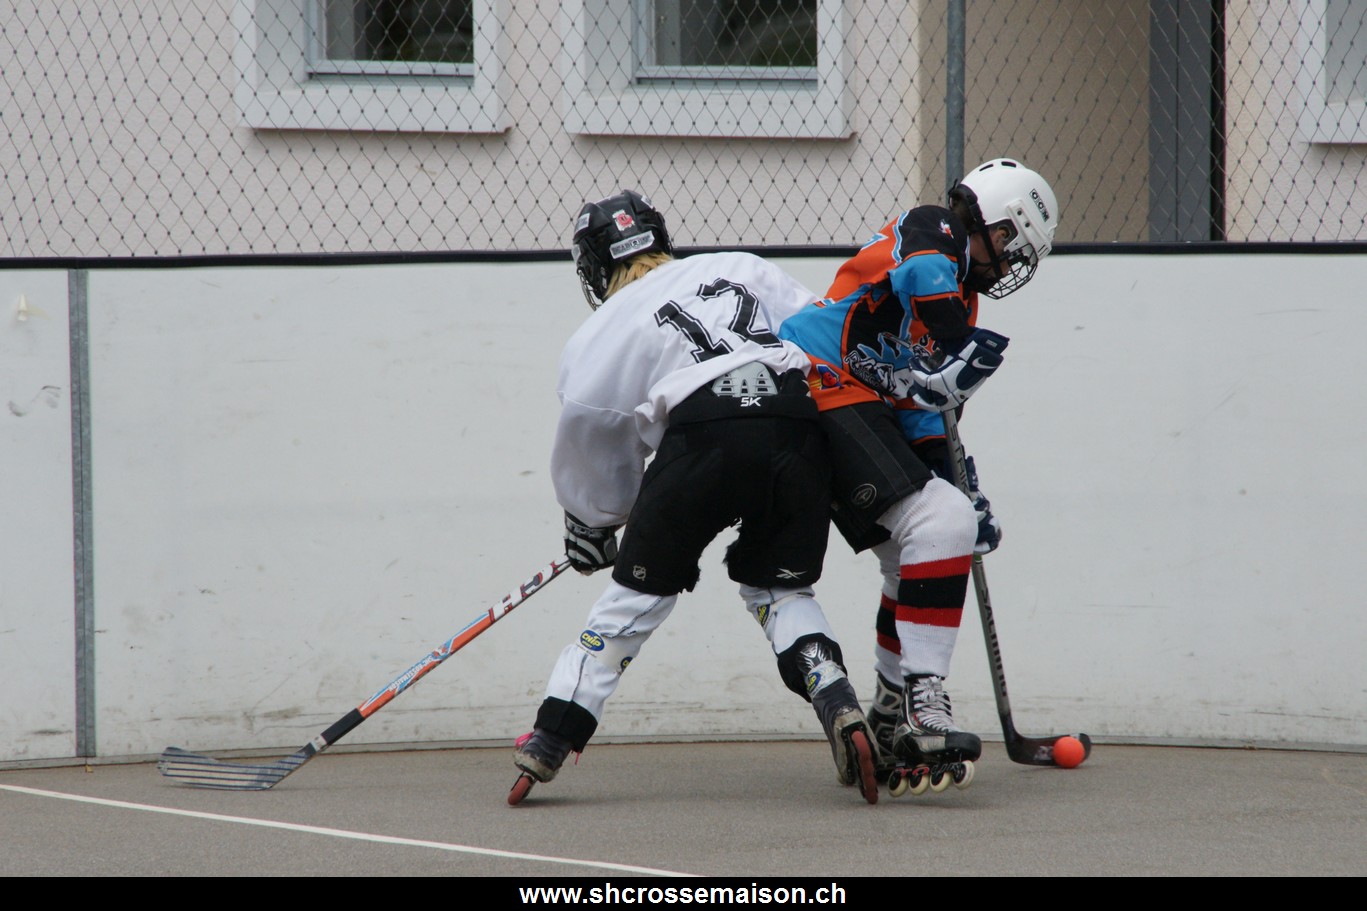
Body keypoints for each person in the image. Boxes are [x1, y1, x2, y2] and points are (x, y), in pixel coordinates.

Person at [508, 190, 880, 806]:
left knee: (633, 604)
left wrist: (593, 524)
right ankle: (835, 695)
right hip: (796, 427)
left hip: (702, 439)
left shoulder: (600, 332)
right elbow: (823, 331)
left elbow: (597, 442)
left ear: (594, 266)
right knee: (780, 590)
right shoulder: (739, 265)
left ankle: (550, 738)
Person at [776, 159, 1059, 790]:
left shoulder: (963, 298)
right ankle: (921, 701)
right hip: (814, 377)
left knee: (930, 543)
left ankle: (887, 712)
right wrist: (955, 344)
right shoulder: (935, 230)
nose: (1007, 268)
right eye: (1012, 249)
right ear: (999, 226)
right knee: (941, 521)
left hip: (857, 403)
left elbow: (926, 414)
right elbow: (922, 275)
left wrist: (960, 485)